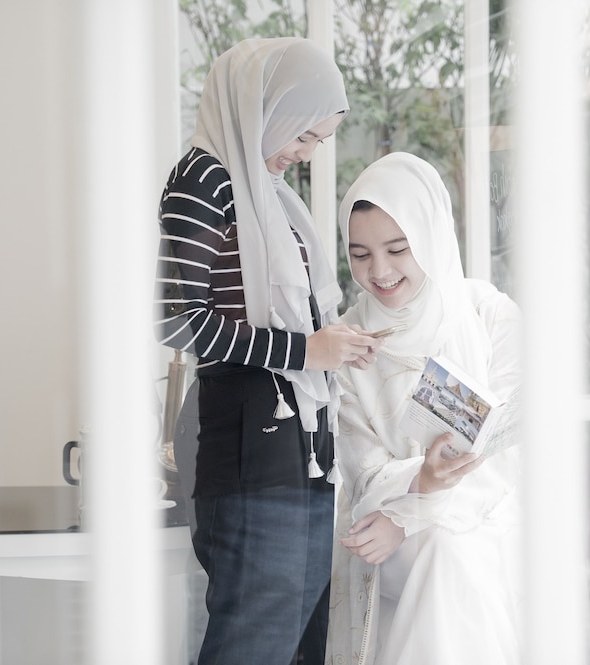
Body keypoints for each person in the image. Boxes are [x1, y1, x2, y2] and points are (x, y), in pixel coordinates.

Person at [153, 37, 380, 665]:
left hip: (301, 446)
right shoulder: (203, 179)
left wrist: (336, 347)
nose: (304, 154)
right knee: (256, 642)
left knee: (302, 644)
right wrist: (306, 351)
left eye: (317, 142)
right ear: (264, 109)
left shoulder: (269, 195)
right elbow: (173, 318)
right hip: (247, 437)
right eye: (302, 135)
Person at [325, 152, 524, 664]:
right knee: (446, 551)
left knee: (451, 551)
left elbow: (509, 451)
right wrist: (419, 488)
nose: (380, 271)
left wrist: (414, 513)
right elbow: (364, 473)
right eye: (360, 255)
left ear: (431, 236)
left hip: (483, 515)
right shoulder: (348, 343)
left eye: (398, 249)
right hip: (385, 524)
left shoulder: (489, 315)